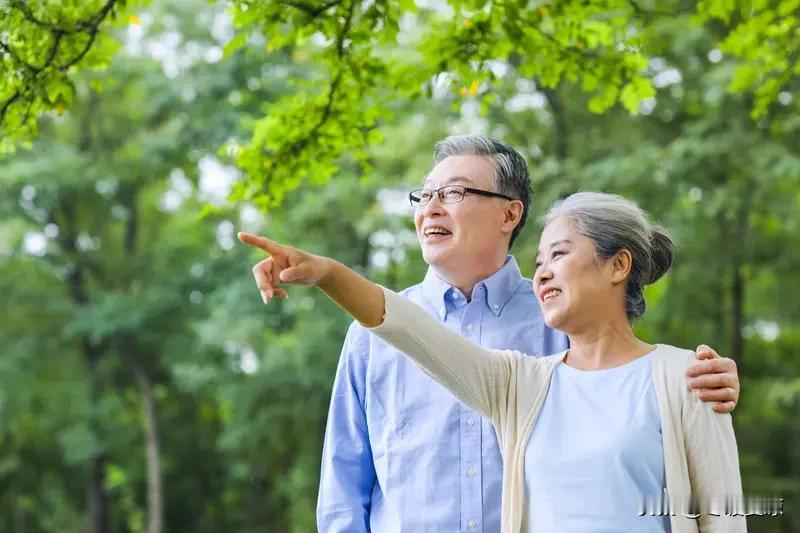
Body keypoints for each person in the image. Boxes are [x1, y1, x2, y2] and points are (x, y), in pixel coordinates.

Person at [243, 136, 741, 533]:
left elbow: (627, 386)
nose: (431, 207)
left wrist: (698, 383)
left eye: (455, 192)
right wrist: (327, 274)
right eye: (425, 194)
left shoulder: (568, 328)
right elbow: (344, 485)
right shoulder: (506, 373)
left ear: (510, 213)